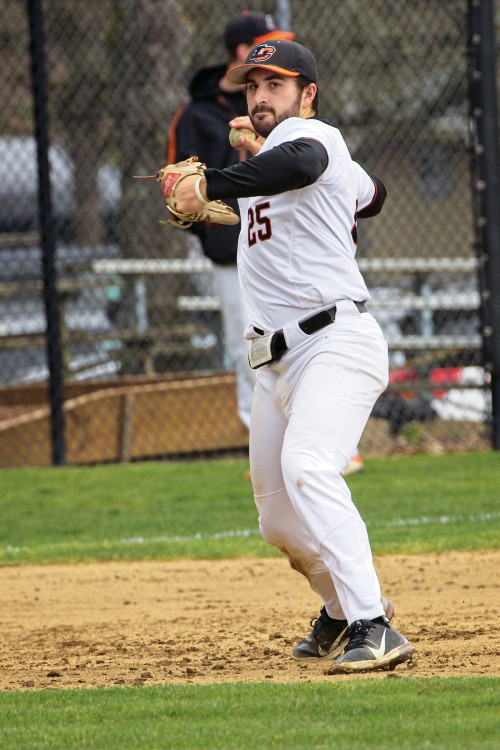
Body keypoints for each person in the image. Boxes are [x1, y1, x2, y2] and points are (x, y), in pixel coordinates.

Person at [172, 39, 415, 672]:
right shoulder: (272, 161)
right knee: (277, 519)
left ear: (307, 93)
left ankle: (375, 625)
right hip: (273, 361)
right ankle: (340, 611)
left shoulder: (314, 140)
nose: (259, 97)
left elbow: (306, 161)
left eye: (275, 84)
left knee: (310, 466)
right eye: (252, 86)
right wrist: (224, 195)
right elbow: (375, 194)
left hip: (335, 341)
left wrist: (217, 179)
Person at [166, 12, 295, 430]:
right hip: (230, 252)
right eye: (266, 43)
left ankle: (311, 432)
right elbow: (178, 185)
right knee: (247, 345)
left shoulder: (277, 103)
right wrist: (207, 217)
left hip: (281, 240)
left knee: (299, 336)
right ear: (243, 52)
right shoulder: (195, 114)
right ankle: (256, 438)